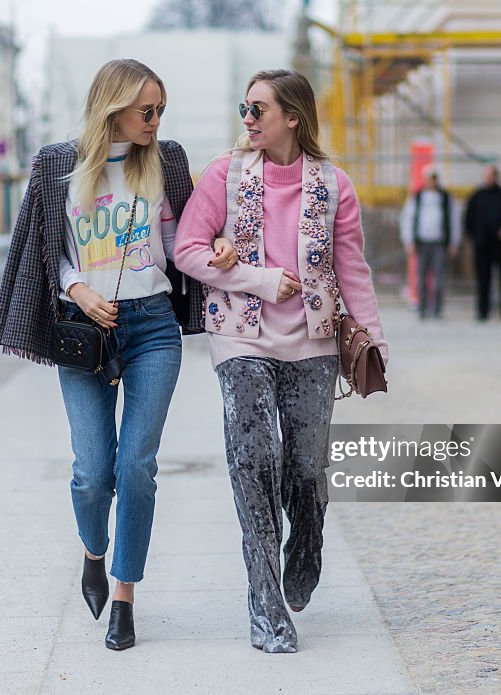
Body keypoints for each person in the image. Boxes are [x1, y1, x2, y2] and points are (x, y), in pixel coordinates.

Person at [0, 59, 235, 651]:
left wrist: (217, 248)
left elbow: (180, 244)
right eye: (145, 110)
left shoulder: (166, 161)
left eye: (160, 110)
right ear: (113, 109)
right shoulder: (58, 167)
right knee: (93, 473)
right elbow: (50, 251)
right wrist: (77, 289)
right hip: (84, 328)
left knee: (137, 466)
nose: (154, 121)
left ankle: (125, 596)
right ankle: (93, 553)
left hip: (152, 327)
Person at [175, 69, 387, 653]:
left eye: (259, 109)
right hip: (240, 340)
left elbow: (353, 269)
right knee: (252, 464)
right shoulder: (224, 174)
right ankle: (266, 608)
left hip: (315, 341)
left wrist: (372, 340)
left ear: (293, 116)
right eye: (245, 107)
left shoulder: (334, 184)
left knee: (305, 469)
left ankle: (308, 539)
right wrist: (259, 279)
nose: (248, 118)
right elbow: (187, 250)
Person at [399, 166, 460, 319]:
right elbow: (408, 218)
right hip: (422, 243)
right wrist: (408, 240)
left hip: (439, 243)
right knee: (421, 278)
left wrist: (454, 242)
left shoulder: (446, 198)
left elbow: (454, 221)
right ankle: (423, 308)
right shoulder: (417, 197)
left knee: (439, 278)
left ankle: (437, 309)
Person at [463, 164, 501, 321]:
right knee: (483, 279)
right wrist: (473, 237)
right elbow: (468, 219)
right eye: (487, 175)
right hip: (482, 245)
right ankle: (483, 312)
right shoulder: (477, 196)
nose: (489, 178)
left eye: (492, 175)